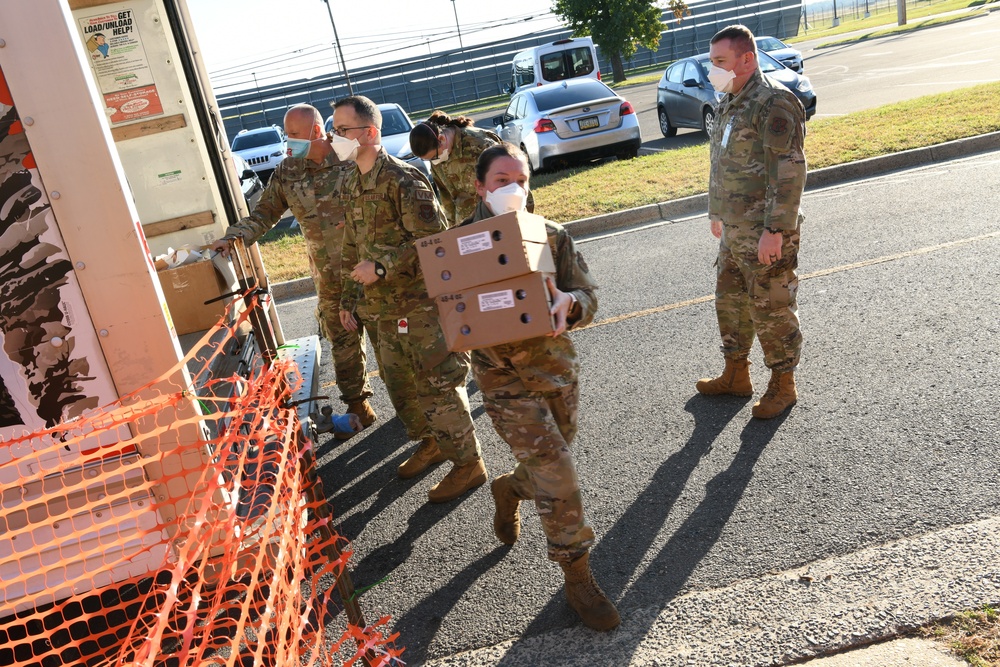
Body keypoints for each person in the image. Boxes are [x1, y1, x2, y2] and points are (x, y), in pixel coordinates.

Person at [462, 142, 620, 631]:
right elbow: (442, 312)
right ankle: (577, 575)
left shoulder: (552, 236)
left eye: (522, 180)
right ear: (479, 187)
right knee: (557, 471)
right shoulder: (457, 247)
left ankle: (510, 489)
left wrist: (569, 304)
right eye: (501, 181)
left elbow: (590, 296)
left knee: (549, 463)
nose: (513, 190)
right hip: (503, 381)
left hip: (557, 373)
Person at [333, 95, 486, 503]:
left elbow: (432, 243)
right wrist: (347, 298)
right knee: (401, 388)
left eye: (341, 131)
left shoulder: (405, 180)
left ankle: (468, 465)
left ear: (368, 133)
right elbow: (351, 245)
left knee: (437, 387)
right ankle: (432, 443)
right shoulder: (350, 182)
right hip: (380, 310)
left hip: (420, 306)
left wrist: (381, 266)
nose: (335, 138)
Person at [211, 104, 377, 437]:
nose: (289, 142)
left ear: (317, 131)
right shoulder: (289, 171)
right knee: (343, 350)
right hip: (329, 281)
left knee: (389, 347)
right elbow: (264, 214)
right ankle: (359, 406)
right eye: (286, 134)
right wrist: (234, 237)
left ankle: (414, 415)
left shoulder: (350, 158)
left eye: (295, 135)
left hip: (368, 273)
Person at [696, 24, 807, 420]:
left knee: (771, 307)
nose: (714, 70)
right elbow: (722, 161)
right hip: (734, 230)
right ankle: (736, 373)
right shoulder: (730, 100)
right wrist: (716, 211)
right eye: (712, 62)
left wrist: (774, 230)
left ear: (747, 59)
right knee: (730, 301)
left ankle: (784, 384)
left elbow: (789, 170)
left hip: (765, 232)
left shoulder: (772, 103)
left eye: (720, 62)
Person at [408, 111, 503, 227]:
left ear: (442, 139)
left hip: (496, 220)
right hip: (467, 228)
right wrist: (452, 230)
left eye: (434, 157)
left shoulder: (480, 144)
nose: (434, 162)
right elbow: (447, 198)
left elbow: (511, 180)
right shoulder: (437, 157)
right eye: (429, 160)